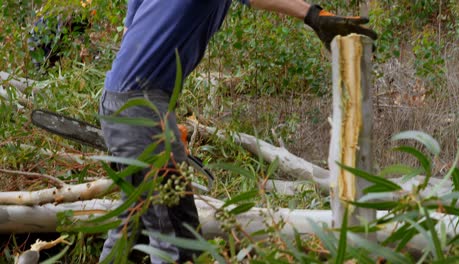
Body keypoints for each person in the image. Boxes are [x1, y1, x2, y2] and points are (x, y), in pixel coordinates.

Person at [98, 0, 377, 263]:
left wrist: (159, 115)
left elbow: (131, 35)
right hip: (141, 105)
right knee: (175, 235)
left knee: (132, 225)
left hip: (118, 98)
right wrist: (312, 14)